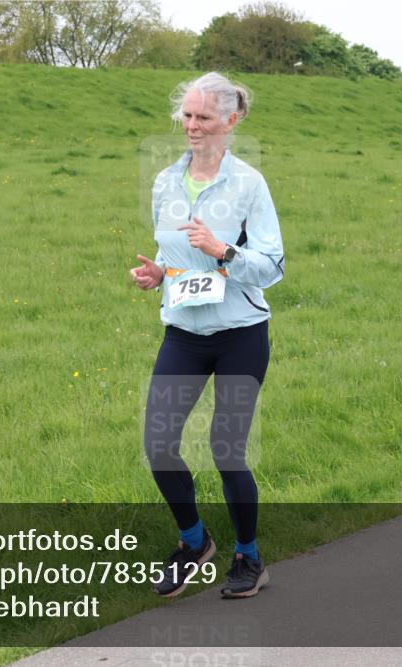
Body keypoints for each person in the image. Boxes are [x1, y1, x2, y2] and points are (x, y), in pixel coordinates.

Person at [130, 72, 285, 599]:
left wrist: (224, 251)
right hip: (184, 333)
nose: (192, 126)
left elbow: (272, 266)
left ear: (230, 121)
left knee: (227, 449)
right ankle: (194, 542)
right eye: (187, 116)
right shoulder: (165, 182)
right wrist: (158, 275)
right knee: (159, 444)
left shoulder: (249, 184)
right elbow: (177, 259)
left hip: (241, 331)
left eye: (203, 117)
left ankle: (249, 556)